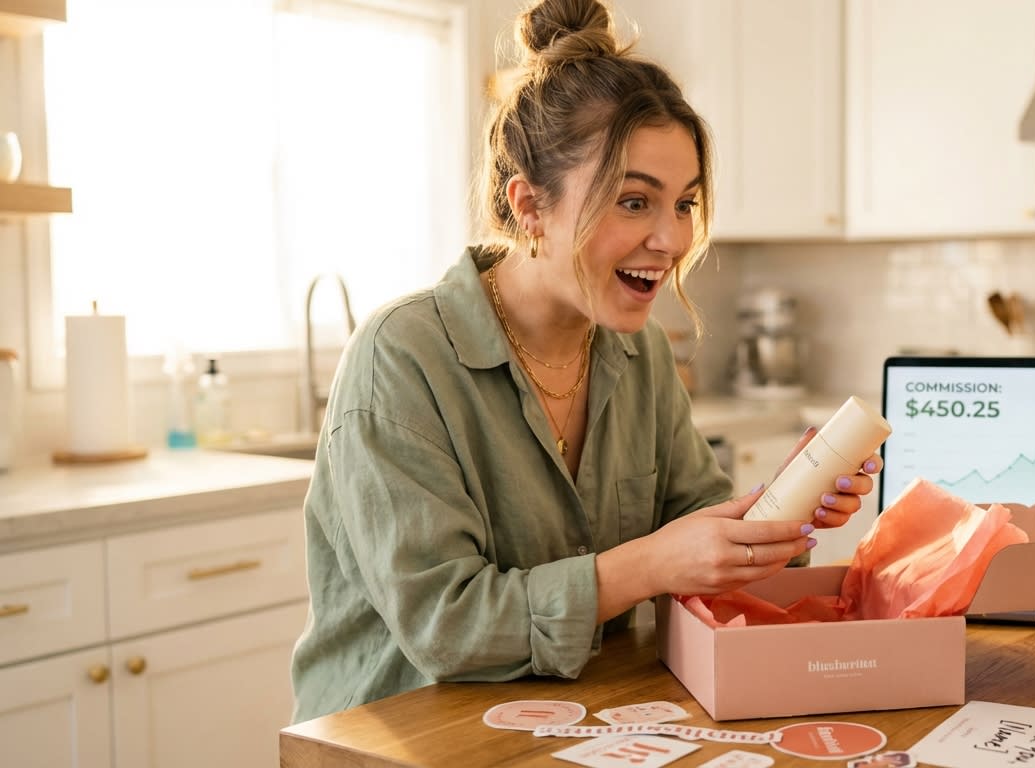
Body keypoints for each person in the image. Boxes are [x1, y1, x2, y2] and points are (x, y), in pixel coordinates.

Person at [289, 0, 880, 722]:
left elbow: (696, 547)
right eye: (634, 202)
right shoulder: (402, 359)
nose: (671, 238)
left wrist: (787, 511)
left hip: (575, 722)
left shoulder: (640, 354)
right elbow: (447, 628)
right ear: (530, 207)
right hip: (402, 737)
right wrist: (652, 563)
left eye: (685, 203)